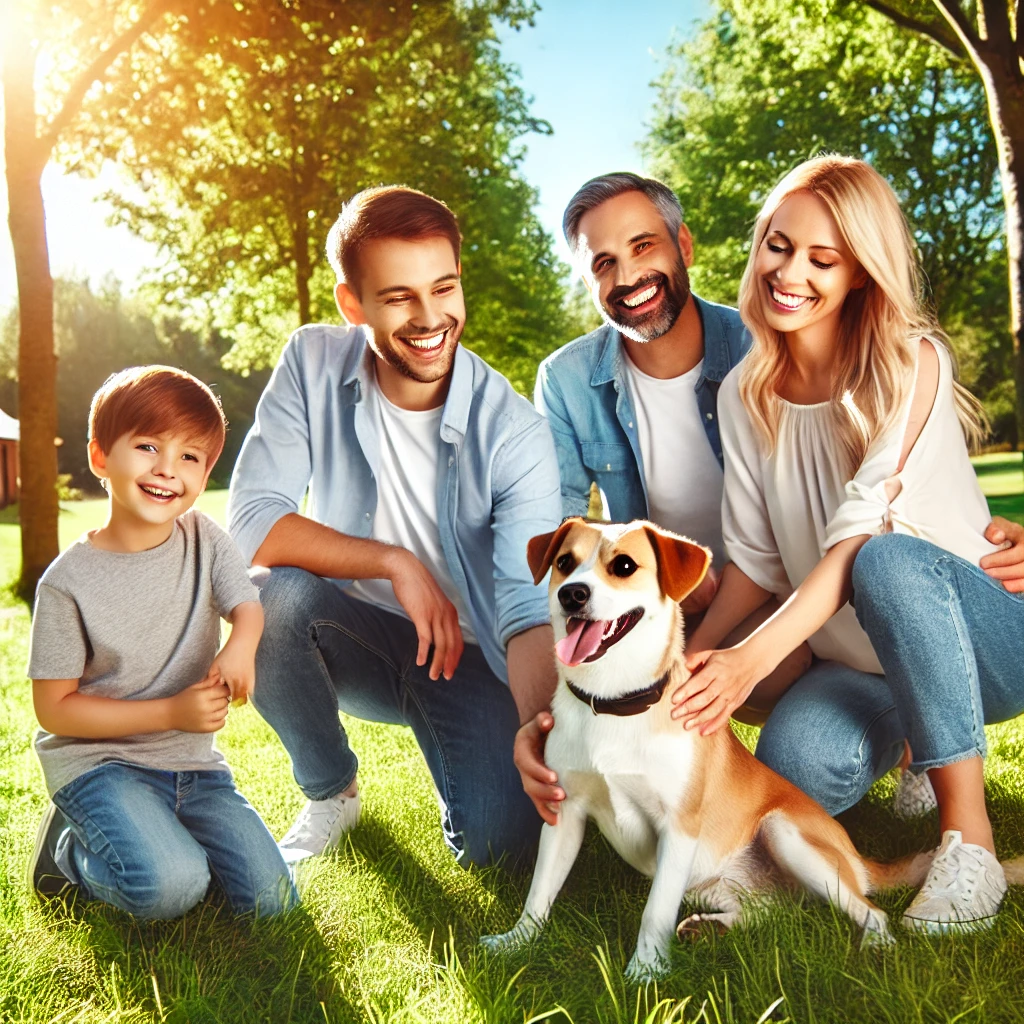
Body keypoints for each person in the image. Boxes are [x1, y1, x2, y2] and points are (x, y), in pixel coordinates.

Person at [670, 155, 1024, 931]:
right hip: (860, 667)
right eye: (779, 245)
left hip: (985, 638)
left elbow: (856, 545)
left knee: (884, 560)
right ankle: (907, 745)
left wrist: (749, 665)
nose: (790, 272)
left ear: (861, 272)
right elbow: (758, 564)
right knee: (791, 769)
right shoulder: (745, 392)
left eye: (822, 260)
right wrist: (692, 665)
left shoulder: (911, 363)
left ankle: (968, 842)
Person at [227, 185, 561, 868]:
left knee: (500, 848)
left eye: (444, 288)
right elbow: (252, 523)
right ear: (353, 305)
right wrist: (394, 563)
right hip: (349, 633)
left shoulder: (516, 433)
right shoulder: (312, 360)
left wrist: (542, 732)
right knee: (268, 596)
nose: (431, 316)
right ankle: (331, 792)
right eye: (400, 296)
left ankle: (470, 748)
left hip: (468, 660)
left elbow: (529, 607)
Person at [26, 366, 294, 919]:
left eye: (190, 457)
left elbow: (246, 602)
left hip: (191, 769)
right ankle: (71, 854)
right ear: (101, 457)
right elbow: (54, 710)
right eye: (148, 446)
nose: (168, 470)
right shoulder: (65, 584)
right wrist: (171, 709)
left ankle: (163, 839)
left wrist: (241, 641)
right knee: (169, 889)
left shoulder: (204, 538)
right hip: (100, 766)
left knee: (272, 903)